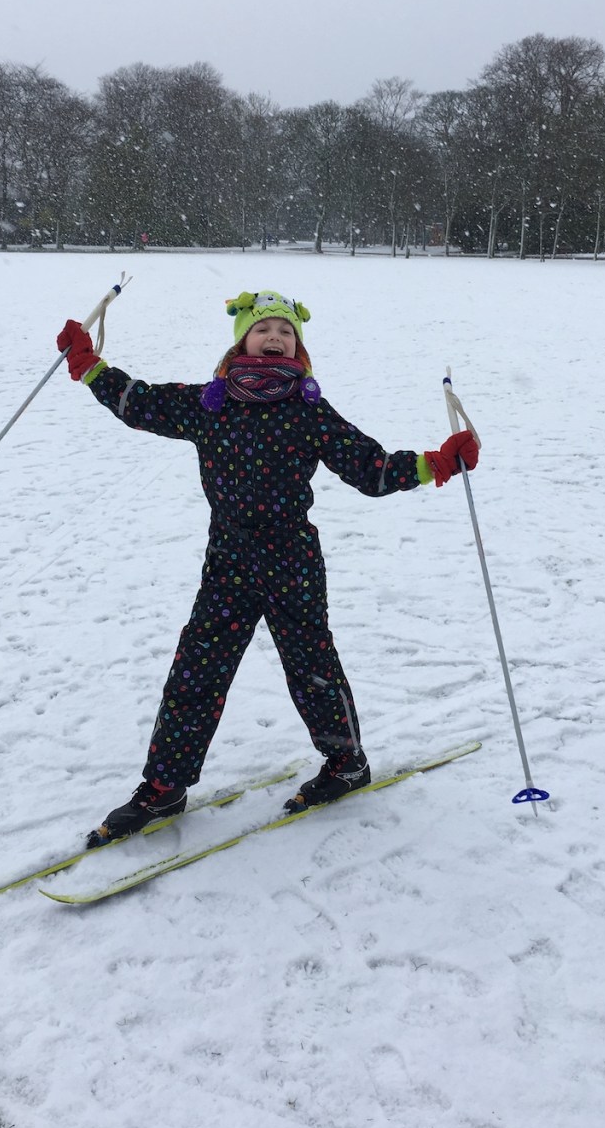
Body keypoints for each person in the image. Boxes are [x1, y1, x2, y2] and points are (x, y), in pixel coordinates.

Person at [56, 290, 479, 847]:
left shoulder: (308, 411)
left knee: (312, 667)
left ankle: (346, 764)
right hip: (227, 562)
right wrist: (90, 366)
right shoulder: (209, 403)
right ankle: (164, 786)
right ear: (241, 342)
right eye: (263, 329)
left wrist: (437, 463)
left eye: (285, 331)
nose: (275, 336)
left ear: (297, 349)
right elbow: (140, 403)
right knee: (197, 670)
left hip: (292, 562)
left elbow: (371, 469)